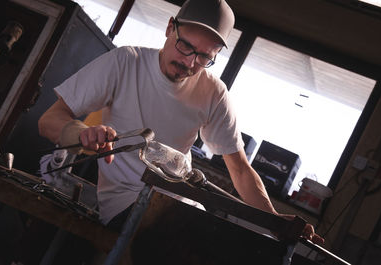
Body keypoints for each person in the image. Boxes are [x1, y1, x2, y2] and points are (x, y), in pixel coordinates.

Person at [38, 0, 323, 244]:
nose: (189, 62)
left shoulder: (213, 92)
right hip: (127, 204)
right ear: (169, 27)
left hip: (184, 205)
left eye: (203, 57)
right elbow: (50, 119)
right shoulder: (126, 63)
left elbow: (239, 169)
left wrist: (273, 222)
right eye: (185, 46)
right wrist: (83, 133)